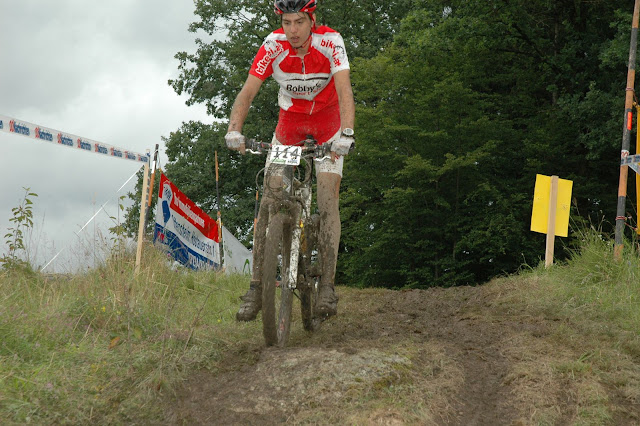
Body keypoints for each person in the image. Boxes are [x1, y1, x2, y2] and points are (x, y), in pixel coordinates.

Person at [225, 0, 355, 321]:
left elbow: (344, 90)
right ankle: (256, 287)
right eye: (287, 23)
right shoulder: (273, 45)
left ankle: (327, 286)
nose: (293, 30)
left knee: (327, 198)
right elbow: (248, 91)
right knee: (269, 198)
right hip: (290, 126)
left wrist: (347, 134)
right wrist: (234, 129)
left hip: (328, 126)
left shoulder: (330, 42)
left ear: (312, 20)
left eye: (299, 22)